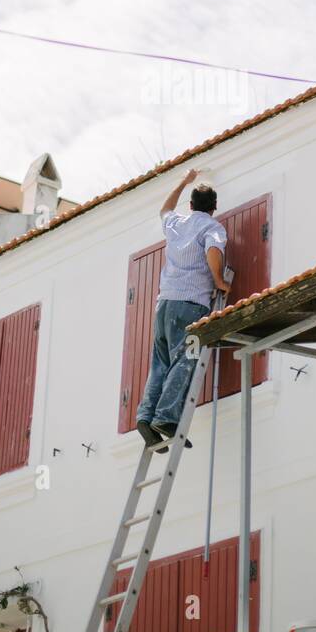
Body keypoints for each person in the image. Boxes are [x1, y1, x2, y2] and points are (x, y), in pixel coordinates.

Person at [136, 168, 232, 451]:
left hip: (164, 305)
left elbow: (164, 208)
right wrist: (218, 281)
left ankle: (145, 416)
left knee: (160, 362)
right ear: (214, 208)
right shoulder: (212, 228)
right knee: (186, 357)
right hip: (191, 305)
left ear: (190, 206)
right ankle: (166, 418)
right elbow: (213, 251)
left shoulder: (176, 222)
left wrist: (183, 181)